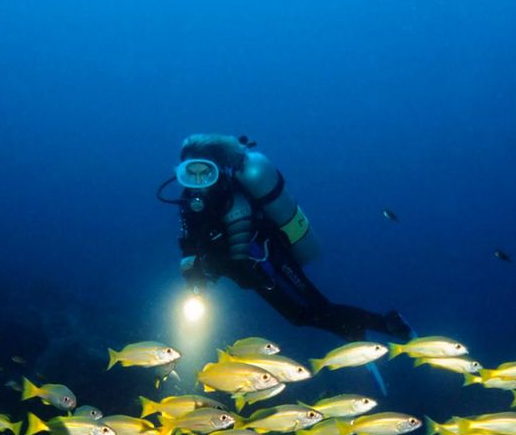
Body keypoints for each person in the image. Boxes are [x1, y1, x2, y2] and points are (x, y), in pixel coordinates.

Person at [159, 134, 413, 342]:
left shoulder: (232, 200)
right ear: (180, 173)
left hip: (270, 258)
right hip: (242, 268)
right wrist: (193, 273)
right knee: (299, 316)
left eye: (206, 172)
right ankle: (350, 331)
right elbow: (189, 240)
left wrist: (215, 269)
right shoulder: (187, 202)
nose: (199, 182)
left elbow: (238, 257)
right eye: (190, 174)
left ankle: (388, 323)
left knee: (317, 307)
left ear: (218, 171)